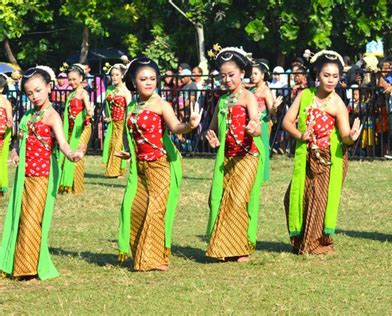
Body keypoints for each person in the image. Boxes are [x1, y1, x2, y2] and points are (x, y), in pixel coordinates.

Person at [116, 57, 202, 271]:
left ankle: (152, 259)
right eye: (143, 78)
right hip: (140, 169)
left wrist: (190, 125)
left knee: (155, 211)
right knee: (135, 209)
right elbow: (134, 135)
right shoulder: (133, 106)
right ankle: (140, 255)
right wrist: (129, 153)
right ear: (134, 82)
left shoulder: (161, 104)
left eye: (152, 78)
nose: (148, 82)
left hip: (160, 165)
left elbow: (175, 127)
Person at [0, 67, 83, 280]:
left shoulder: (52, 116)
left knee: (32, 219)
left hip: (43, 175)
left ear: (48, 87)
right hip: (24, 176)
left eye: (38, 91)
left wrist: (72, 155)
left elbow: (62, 143)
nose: (34, 96)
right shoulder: (28, 115)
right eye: (29, 93)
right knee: (20, 217)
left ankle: (28, 270)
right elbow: (21, 139)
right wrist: (16, 152)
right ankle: (18, 263)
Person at [283, 49, 361, 255]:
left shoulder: (337, 103)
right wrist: (301, 136)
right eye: (326, 75)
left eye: (335, 76)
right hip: (306, 156)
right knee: (293, 197)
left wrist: (352, 137)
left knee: (319, 200)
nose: (331, 80)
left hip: (328, 159)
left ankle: (317, 243)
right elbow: (286, 122)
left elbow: (344, 136)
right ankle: (301, 241)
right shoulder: (305, 95)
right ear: (317, 74)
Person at [205, 46, 265, 262]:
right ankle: (223, 247)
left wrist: (253, 129)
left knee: (239, 199)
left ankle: (241, 248)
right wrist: (212, 138)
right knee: (223, 200)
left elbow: (256, 125)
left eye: (231, 75)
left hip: (248, 156)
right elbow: (211, 128)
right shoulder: (221, 101)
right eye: (223, 76)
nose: (227, 80)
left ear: (242, 73)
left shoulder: (248, 97)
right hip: (227, 159)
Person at [58, 64, 94, 194]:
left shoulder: (83, 93)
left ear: (81, 78)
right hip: (70, 129)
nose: (72, 82)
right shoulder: (71, 95)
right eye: (70, 79)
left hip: (83, 128)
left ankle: (76, 188)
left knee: (78, 154)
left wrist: (90, 111)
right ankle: (66, 186)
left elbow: (88, 107)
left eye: (74, 79)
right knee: (67, 155)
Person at [250, 59, 282, 181]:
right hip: (253, 122)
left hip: (263, 122)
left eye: (255, 73)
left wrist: (274, 107)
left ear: (262, 75)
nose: (252, 76)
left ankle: (263, 174)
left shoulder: (266, 90)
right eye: (251, 74)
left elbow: (271, 111)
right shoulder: (252, 89)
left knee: (263, 147)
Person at [102, 63, 131, 178]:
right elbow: (106, 106)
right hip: (112, 123)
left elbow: (129, 107)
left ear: (122, 76)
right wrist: (106, 116)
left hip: (121, 122)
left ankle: (117, 171)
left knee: (119, 145)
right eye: (112, 75)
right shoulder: (110, 89)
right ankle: (111, 170)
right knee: (111, 145)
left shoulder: (126, 90)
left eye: (117, 75)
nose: (114, 77)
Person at [0, 74, 13, 197]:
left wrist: (9, 122)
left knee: (1, 160)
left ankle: (1, 185)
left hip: (2, 135)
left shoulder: (5, 102)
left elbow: (9, 118)